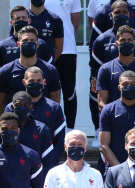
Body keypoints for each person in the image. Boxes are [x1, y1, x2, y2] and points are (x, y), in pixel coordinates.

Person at [90, 0, 135, 148]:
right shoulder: (102, 40)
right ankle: (100, 130)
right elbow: (95, 65)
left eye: (124, 12)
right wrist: (93, 78)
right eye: (117, 12)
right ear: (111, 14)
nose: (121, 15)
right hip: (110, 86)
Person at [0, 25, 61, 114]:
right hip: (15, 124)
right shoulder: (6, 71)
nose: (29, 43)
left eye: (32, 41)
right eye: (25, 41)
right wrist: (11, 120)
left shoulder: (50, 70)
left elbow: (55, 100)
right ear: (18, 44)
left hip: (43, 123)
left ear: (37, 44)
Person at [5, 67, 66, 163]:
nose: (35, 83)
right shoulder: (11, 108)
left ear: (43, 82)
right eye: (31, 81)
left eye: (38, 80)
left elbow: (59, 141)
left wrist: (51, 166)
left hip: (44, 164)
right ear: (24, 82)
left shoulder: (54, 108)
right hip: (16, 163)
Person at [96, 25, 135, 112]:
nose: (126, 43)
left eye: (129, 40)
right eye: (123, 40)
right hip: (114, 120)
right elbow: (101, 103)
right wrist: (117, 116)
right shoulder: (105, 69)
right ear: (117, 44)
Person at [42, 0, 82, 131]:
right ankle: (50, 128)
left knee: (69, 92)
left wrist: (65, 40)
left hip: (68, 50)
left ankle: (70, 129)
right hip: (45, 52)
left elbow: (75, 24)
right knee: (46, 91)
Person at [0, 6, 52, 86]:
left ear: (29, 20)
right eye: (17, 18)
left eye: (23, 17)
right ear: (11, 22)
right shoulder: (1, 47)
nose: (21, 20)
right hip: (12, 95)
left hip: (38, 94)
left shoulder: (41, 45)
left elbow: (50, 74)